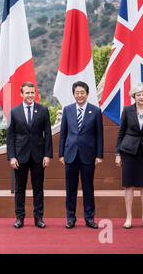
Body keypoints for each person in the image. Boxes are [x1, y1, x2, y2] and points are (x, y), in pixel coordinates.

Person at [6, 82, 53, 229]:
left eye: (32, 92)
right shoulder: (14, 112)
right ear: (22, 94)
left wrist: (47, 155)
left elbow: (48, 135)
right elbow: (10, 137)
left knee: (38, 188)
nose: (30, 95)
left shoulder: (43, 110)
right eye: (27, 93)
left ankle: (38, 218)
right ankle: (19, 218)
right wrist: (12, 157)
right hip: (20, 157)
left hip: (39, 156)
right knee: (20, 188)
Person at [59, 81, 103, 229]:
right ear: (74, 94)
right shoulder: (68, 110)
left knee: (88, 187)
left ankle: (89, 218)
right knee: (70, 188)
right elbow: (63, 134)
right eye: (77, 93)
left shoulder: (95, 111)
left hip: (88, 155)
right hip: (70, 154)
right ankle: (70, 218)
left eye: (82, 92)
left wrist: (99, 155)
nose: (79, 95)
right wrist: (61, 154)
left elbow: (99, 135)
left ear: (87, 94)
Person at [115, 82, 143, 229]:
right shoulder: (127, 110)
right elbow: (121, 132)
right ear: (133, 96)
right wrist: (118, 154)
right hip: (128, 151)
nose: (141, 97)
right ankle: (128, 217)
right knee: (128, 185)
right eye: (138, 94)